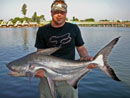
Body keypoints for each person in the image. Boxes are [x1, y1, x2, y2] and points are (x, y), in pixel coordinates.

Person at [35, 0, 96, 98]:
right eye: (56, 12)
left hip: (69, 74)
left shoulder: (73, 28)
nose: (59, 15)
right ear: (51, 13)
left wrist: (87, 58)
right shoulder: (42, 30)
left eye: (62, 12)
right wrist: (37, 69)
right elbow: (39, 55)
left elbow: (81, 48)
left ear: (66, 13)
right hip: (46, 76)